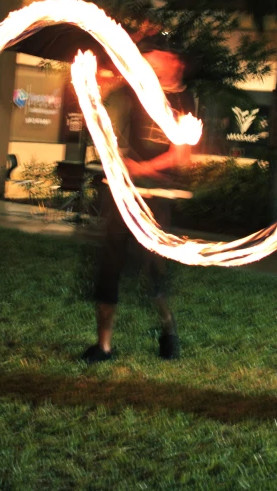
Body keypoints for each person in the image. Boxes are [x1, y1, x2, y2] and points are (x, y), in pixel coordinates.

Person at [81, 35, 195, 364]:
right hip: (123, 196)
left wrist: (141, 167)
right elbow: (111, 125)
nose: (149, 60)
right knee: (109, 267)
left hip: (155, 202)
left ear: (175, 61)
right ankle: (103, 346)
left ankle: (169, 332)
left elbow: (181, 156)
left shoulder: (184, 102)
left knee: (154, 271)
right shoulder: (135, 94)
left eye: (157, 55)